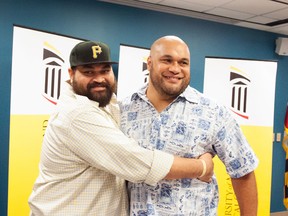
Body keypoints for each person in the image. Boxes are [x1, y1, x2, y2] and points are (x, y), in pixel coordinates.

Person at [28, 40, 214, 216]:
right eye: (88, 72)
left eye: (105, 70)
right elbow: (137, 162)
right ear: (71, 74)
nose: (99, 78)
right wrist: (202, 167)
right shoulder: (78, 115)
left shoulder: (108, 105)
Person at [119, 36, 259, 216]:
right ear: (150, 63)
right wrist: (201, 167)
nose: (175, 69)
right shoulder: (123, 110)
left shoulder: (213, 112)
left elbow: (243, 171)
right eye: (167, 60)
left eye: (183, 62)